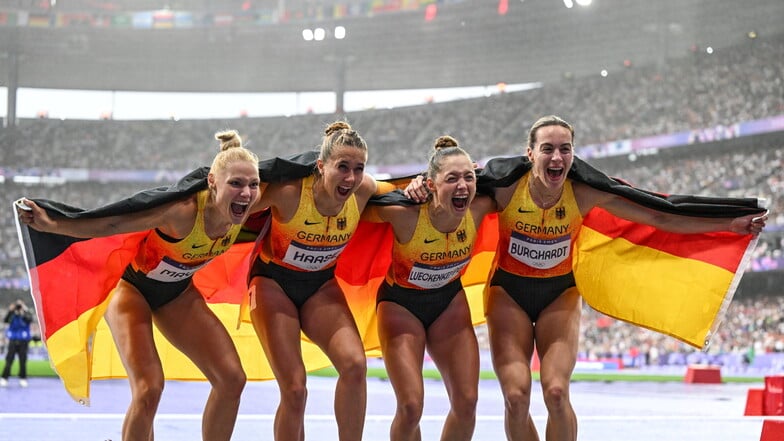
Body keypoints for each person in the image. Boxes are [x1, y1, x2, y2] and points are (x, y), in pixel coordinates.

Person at [405, 115, 768, 441]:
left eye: (565, 149)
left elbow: (662, 215)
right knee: (516, 397)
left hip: (559, 294)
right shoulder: (503, 187)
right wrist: (420, 185)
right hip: (508, 293)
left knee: (556, 392)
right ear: (529, 154)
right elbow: (450, 189)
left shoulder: (584, 191)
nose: (557, 158)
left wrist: (728, 223)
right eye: (547, 149)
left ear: (573, 154)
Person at [15, 130, 262, 441]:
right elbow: (114, 222)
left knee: (232, 379)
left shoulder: (252, 207)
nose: (247, 193)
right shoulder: (182, 212)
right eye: (236, 184)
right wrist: (53, 223)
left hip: (177, 293)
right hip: (131, 289)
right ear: (212, 181)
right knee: (149, 389)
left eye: (253, 184)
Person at [247, 120, 377, 441]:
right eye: (342, 167)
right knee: (294, 388)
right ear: (321, 166)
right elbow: (233, 203)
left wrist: (431, 184)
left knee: (355, 366)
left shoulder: (365, 190)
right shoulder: (290, 193)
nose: (350, 177)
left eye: (358, 168)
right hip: (272, 284)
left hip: (320, 285)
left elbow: (407, 195)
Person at [362, 135, 495, 440]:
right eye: (452, 179)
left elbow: (518, 181)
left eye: (468, 177)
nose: (462, 186)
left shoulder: (480, 207)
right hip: (400, 307)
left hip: (449, 304)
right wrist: (400, 189)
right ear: (431, 184)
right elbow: (359, 207)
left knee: (467, 403)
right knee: (410, 407)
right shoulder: (406, 213)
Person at [1, 299, 34, 388]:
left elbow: (30, 319)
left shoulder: (26, 314)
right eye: (17, 305)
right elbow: (6, 320)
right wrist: (10, 311)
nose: (19, 307)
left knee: (23, 361)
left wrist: (24, 311)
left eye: (20, 305)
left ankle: (23, 378)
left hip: (23, 341)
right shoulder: (12, 314)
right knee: (9, 360)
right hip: (13, 340)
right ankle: (4, 378)